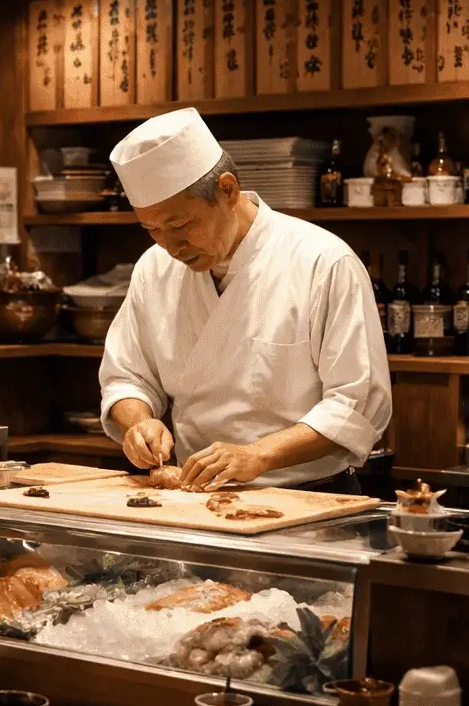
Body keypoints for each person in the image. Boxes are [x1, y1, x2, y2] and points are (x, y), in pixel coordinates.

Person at [100, 107, 392, 492]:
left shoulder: (322, 261)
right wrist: (138, 422)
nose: (170, 246)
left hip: (310, 496)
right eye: (152, 229)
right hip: (196, 498)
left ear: (228, 190)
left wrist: (258, 455)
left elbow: (356, 406)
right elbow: (128, 377)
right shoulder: (154, 269)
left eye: (181, 225)